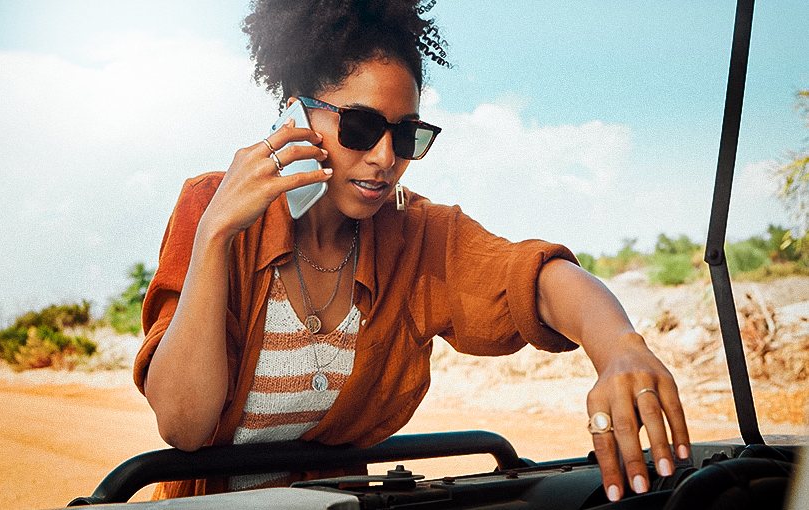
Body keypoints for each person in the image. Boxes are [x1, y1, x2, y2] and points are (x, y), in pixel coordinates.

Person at [134, 0, 690, 502]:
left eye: (406, 135)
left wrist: (619, 345)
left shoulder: (415, 233)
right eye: (360, 125)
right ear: (294, 116)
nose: (384, 157)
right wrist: (213, 237)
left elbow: (532, 275)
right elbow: (183, 424)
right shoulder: (213, 206)